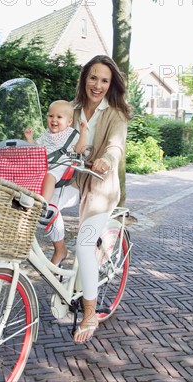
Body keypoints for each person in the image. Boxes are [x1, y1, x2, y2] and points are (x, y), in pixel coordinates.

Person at [50, 55, 132, 344]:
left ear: (111, 85)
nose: (97, 85)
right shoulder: (70, 110)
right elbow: (53, 138)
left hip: (101, 186)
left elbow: (116, 145)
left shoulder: (116, 113)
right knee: (42, 207)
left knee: (85, 245)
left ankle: (88, 314)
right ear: (84, 78)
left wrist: (107, 160)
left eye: (104, 80)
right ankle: (59, 250)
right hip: (73, 179)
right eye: (93, 77)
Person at [24, 100, 88, 264]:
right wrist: (30, 139)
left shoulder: (71, 134)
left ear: (68, 121)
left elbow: (80, 149)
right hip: (46, 168)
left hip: (61, 168)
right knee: (30, 176)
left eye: (59, 117)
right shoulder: (45, 135)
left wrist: (83, 132)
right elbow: (36, 150)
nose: (54, 120)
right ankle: (59, 248)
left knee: (49, 176)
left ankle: (42, 203)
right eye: (51, 116)